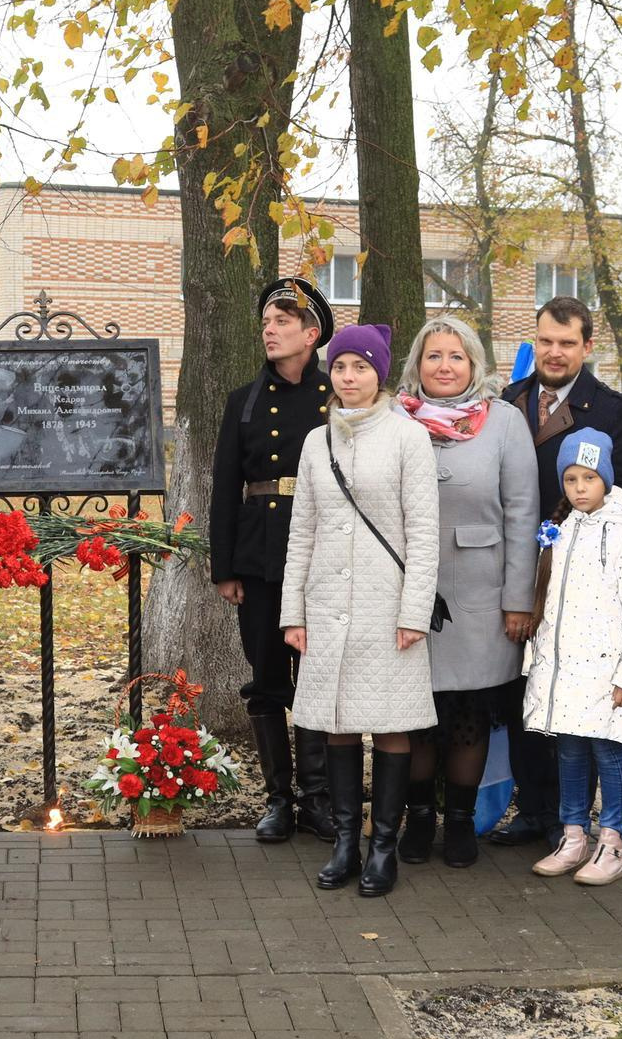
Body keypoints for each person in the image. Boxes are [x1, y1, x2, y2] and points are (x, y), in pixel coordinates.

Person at [280, 324, 438, 897]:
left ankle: (383, 847)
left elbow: (423, 534)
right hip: (326, 606)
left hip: (388, 607)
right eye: (341, 367)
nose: (349, 378)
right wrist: (292, 612)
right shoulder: (315, 442)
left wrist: (414, 612)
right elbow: (303, 531)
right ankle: (346, 841)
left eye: (361, 368)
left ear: (380, 374)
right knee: (338, 724)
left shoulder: (407, 438)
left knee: (393, 727)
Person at [491, 297, 622, 849]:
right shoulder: (509, 401)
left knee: (576, 694)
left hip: (583, 574)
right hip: (513, 565)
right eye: (546, 340)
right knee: (524, 689)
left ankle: (570, 819)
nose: (554, 352)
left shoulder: (609, 409)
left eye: (567, 343)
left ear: (587, 347)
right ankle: (532, 809)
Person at [396, 315, 536, 867]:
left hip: (481, 594)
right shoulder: (395, 419)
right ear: (417, 364)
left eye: (456, 356)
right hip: (408, 593)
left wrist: (518, 599)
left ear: (474, 364)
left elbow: (523, 513)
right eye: (434, 356)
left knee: (467, 715)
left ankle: (459, 822)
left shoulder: (504, 422)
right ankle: (417, 819)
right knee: (414, 717)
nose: (445, 366)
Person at [209, 277, 338, 844]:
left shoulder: (338, 394)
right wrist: (224, 566)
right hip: (260, 557)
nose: (271, 329)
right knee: (265, 680)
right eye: (266, 321)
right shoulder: (245, 400)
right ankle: (279, 799)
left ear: (312, 335)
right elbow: (224, 487)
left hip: (322, 557)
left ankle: (317, 798)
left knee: (316, 679)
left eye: (284, 321)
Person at [521, 428, 622, 886]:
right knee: (570, 752)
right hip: (562, 671)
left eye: (589, 479)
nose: (580, 489)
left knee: (609, 751)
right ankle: (574, 834)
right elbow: (548, 604)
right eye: (571, 479)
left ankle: (612, 840)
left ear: (608, 481)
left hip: (605, 669)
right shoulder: (559, 530)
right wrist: (536, 662)